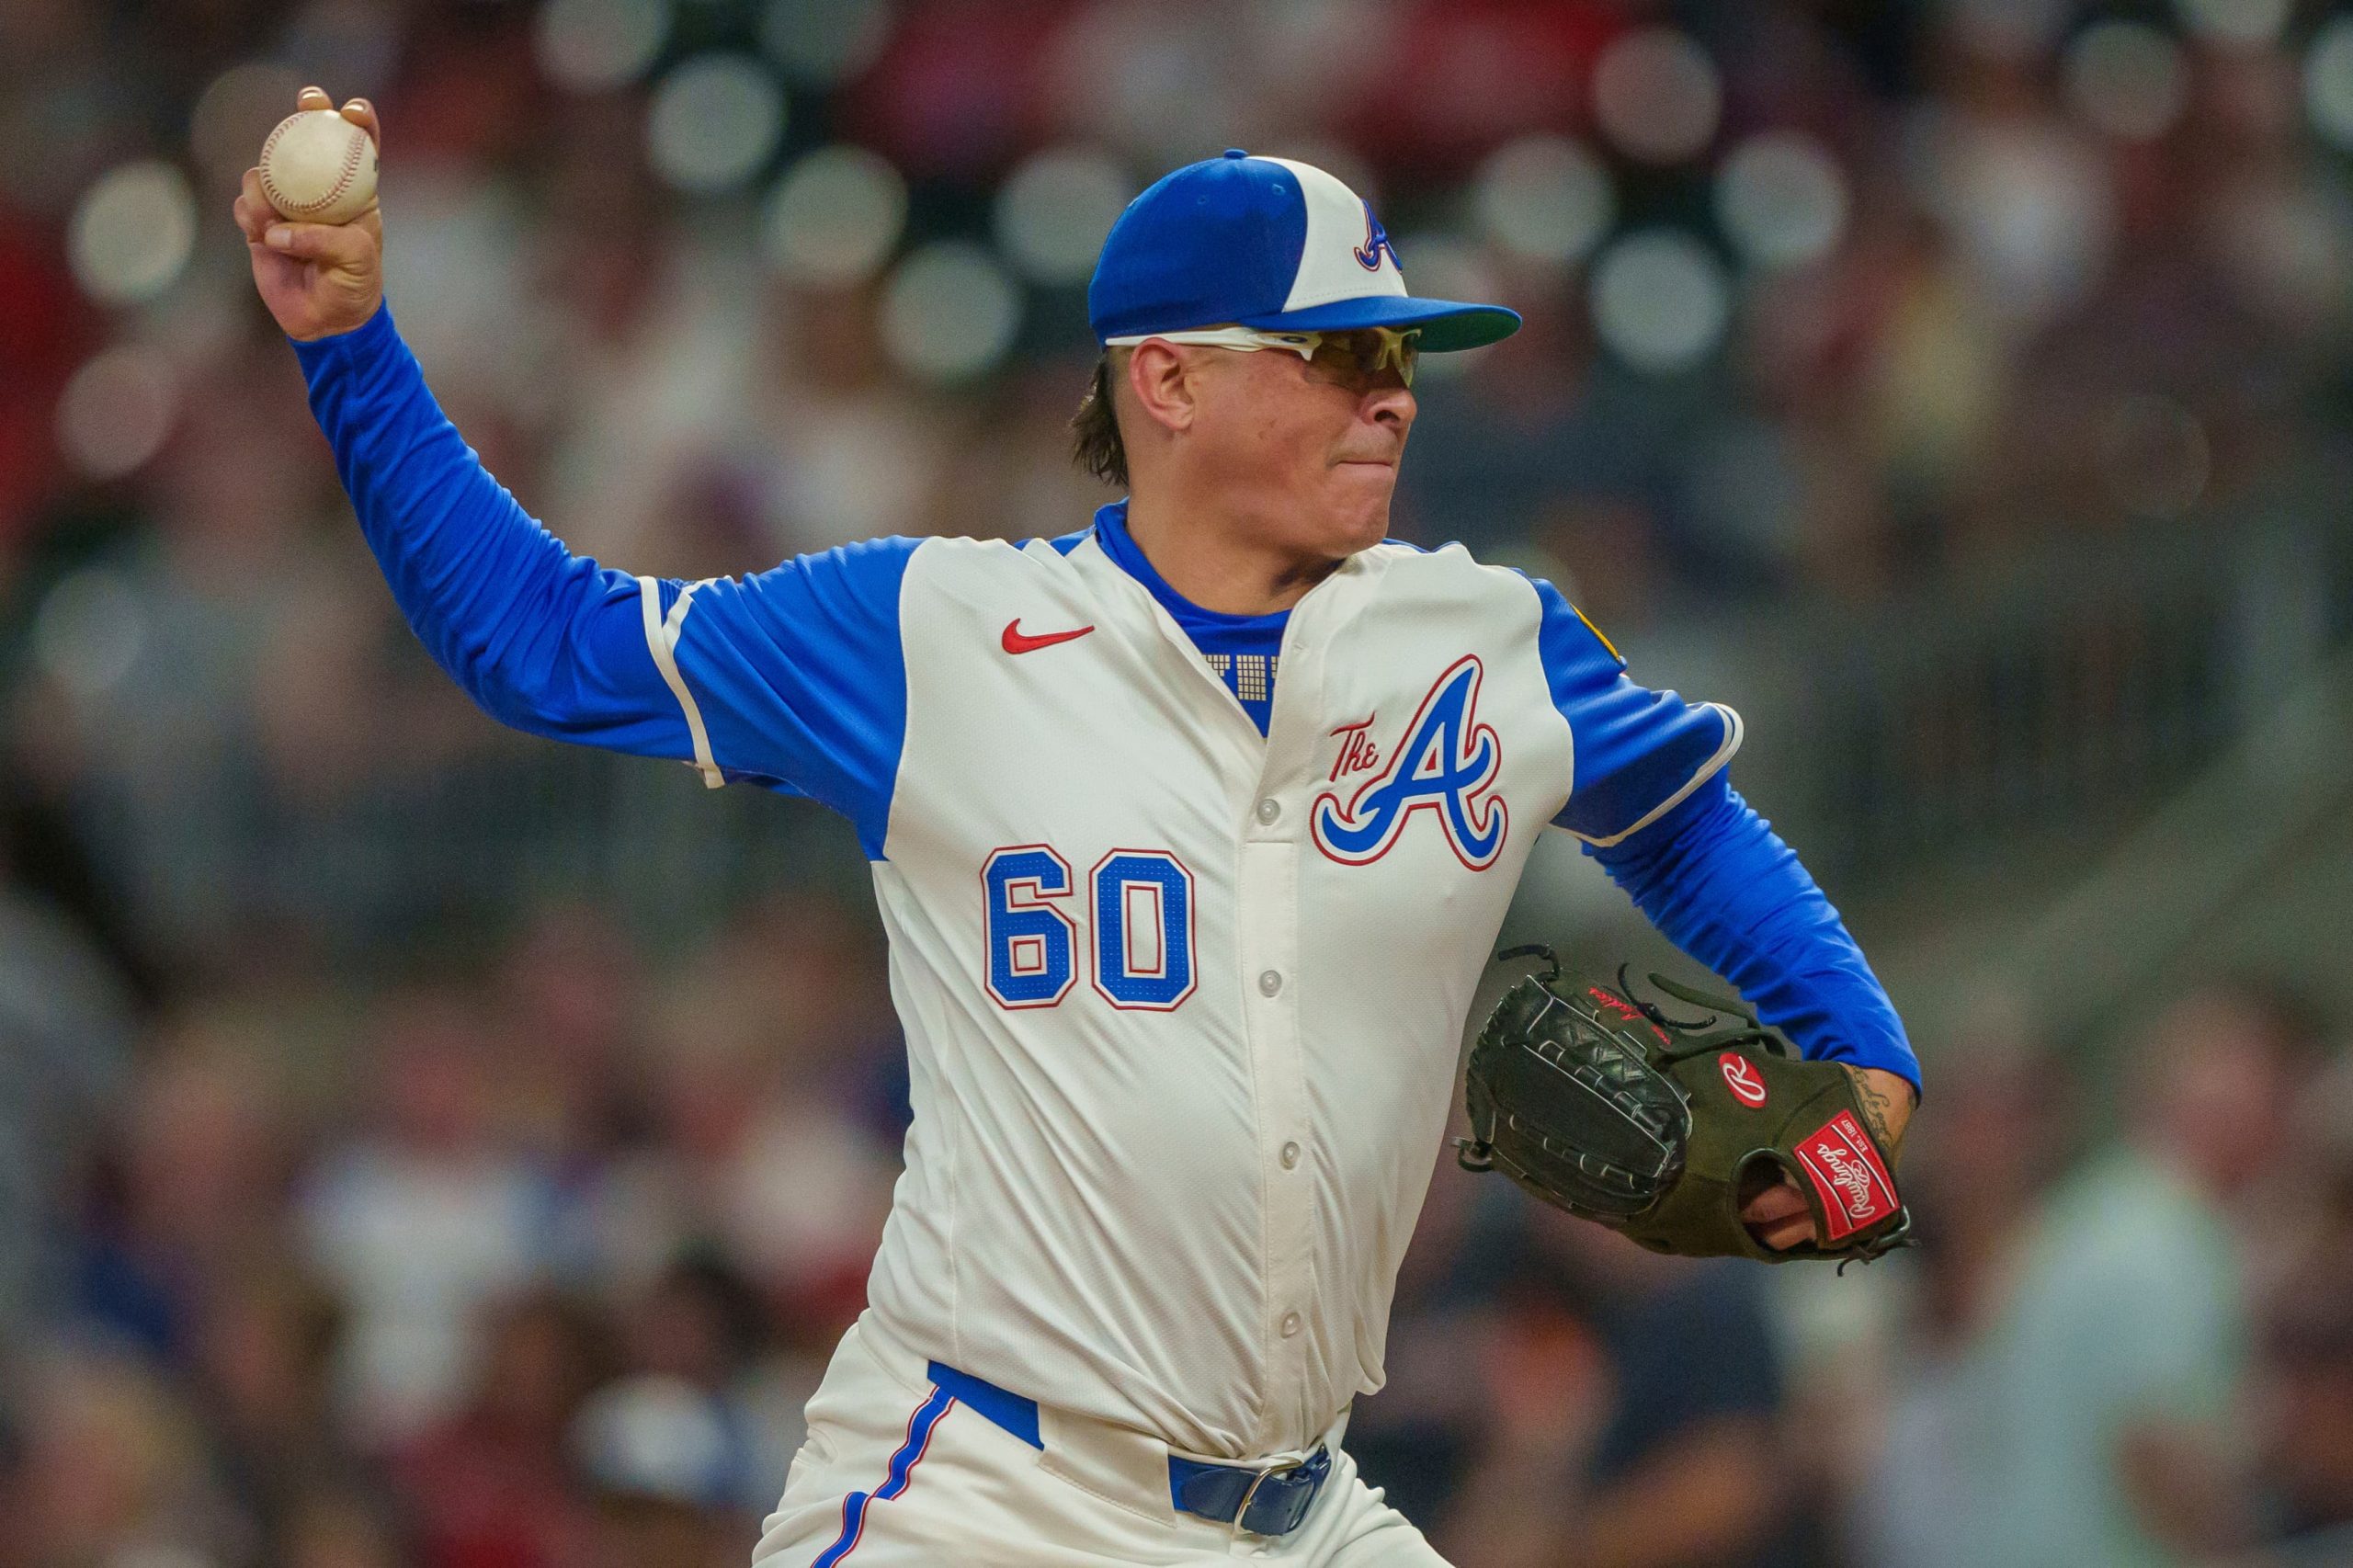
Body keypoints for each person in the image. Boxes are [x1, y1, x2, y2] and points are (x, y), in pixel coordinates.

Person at [234, 86, 1921, 1567]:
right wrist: (351, 349)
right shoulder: (931, 635)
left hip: (1310, 1504)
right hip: (985, 1488)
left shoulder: (1485, 640)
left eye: (1402, 355)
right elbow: (541, 640)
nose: (1393, 396)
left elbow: (1684, 828)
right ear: (1169, 380)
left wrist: (1871, 1072)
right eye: (1338, 354)